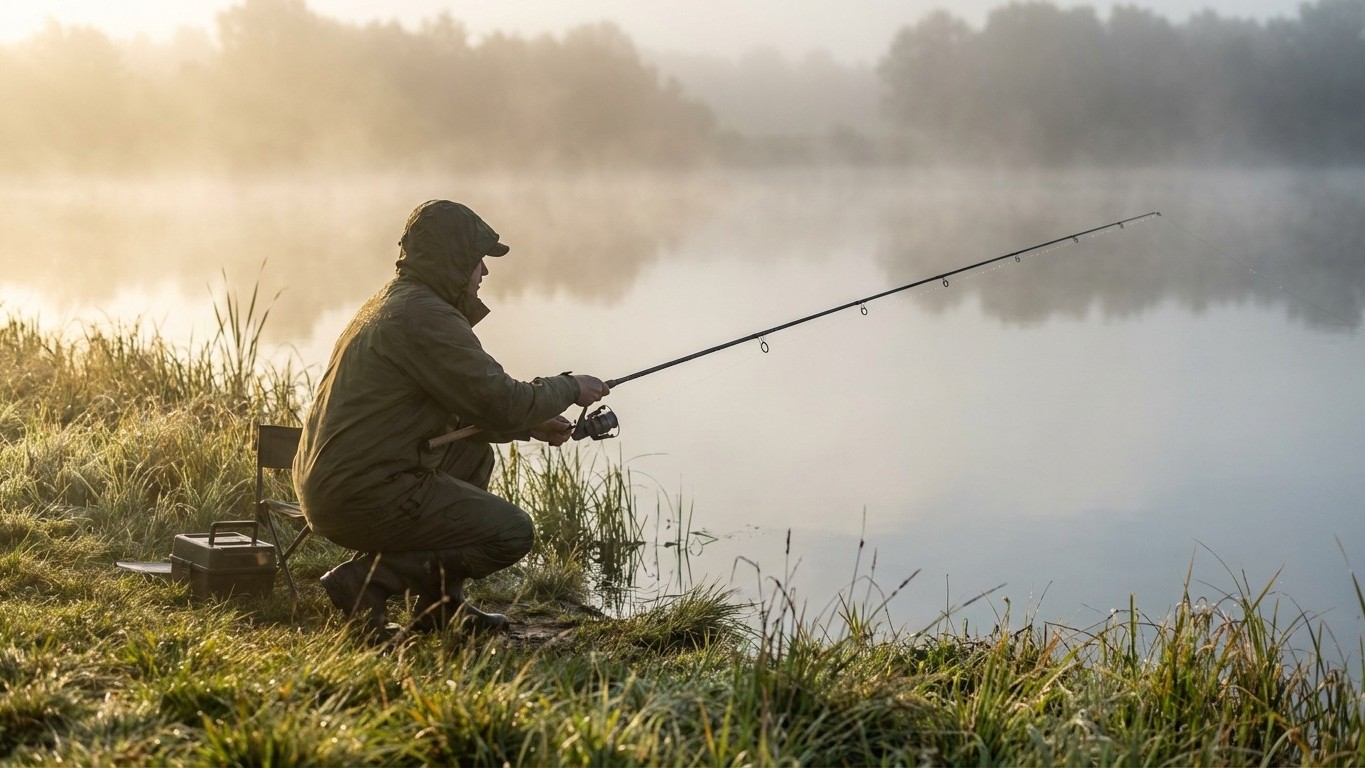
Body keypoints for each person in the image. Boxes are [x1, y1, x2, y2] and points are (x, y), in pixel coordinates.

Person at [293, 199, 611, 638]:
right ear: (453, 257)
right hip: (358, 492)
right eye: (478, 259)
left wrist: (530, 425)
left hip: (342, 481)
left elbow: (472, 406)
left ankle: (439, 607)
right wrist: (569, 387)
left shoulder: (397, 301)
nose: (484, 271)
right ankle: (366, 582)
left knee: (472, 453)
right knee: (511, 533)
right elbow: (499, 399)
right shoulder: (424, 316)